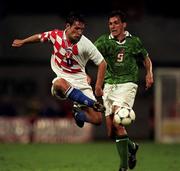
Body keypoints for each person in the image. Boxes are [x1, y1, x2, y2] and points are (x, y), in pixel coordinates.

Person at [12, 11, 107, 128]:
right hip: (63, 79)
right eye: (76, 28)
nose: (79, 32)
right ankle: (89, 102)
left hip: (80, 80)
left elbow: (102, 63)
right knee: (58, 83)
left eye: (82, 30)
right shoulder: (56, 35)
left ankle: (79, 115)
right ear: (67, 26)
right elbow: (40, 37)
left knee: (97, 120)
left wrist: (98, 86)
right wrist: (23, 41)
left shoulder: (86, 44)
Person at [94, 10, 154, 171]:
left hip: (127, 84)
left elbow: (146, 59)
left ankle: (123, 167)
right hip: (109, 85)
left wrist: (149, 73)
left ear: (123, 25)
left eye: (116, 23)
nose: (112, 26)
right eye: (110, 23)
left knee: (118, 122)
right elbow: (89, 55)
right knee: (111, 133)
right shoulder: (103, 42)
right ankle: (132, 147)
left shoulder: (134, 42)